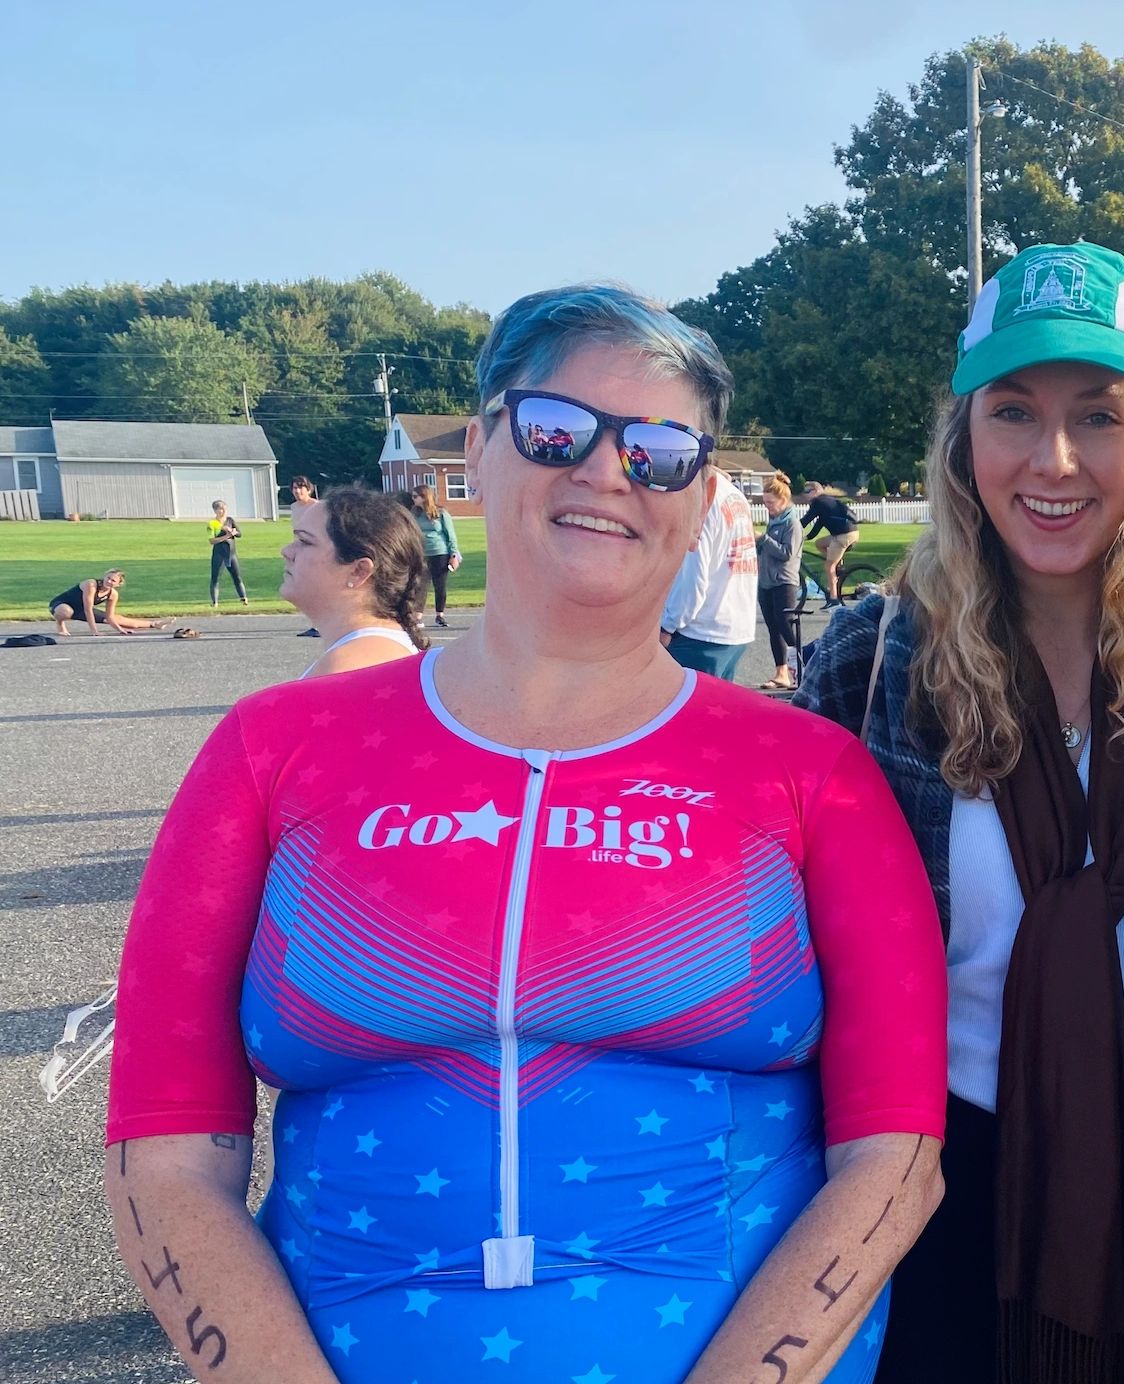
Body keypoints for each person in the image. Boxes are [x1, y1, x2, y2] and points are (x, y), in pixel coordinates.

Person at [106, 282, 945, 1384]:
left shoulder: (807, 774)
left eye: (660, 450)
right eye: (559, 429)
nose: (606, 470)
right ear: (483, 454)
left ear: (701, 504)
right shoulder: (276, 748)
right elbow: (165, 1152)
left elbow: (896, 1158)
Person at [797, 241, 1124, 1384]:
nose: (1053, 458)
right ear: (965, 439)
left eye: (1100, 415)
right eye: (1014, 410)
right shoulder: (873, 663)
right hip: (943, 1190)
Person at [282, 485, 430, 679]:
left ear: (359, 571)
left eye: (305, 541)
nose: (286, 551)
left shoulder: (343, 672)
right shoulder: (381, 648)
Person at [660, 464, 757, 679]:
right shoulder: (733, 493)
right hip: (734, 625)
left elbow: (692, 578)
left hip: (700, 632)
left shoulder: (700, 498)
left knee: (683, 708)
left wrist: (667, 627)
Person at [756, 470, 802, 690]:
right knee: (773, 628)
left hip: (784, 581)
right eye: (764, 502)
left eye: (770, 502)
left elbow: (787, 553)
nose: (767, 507)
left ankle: (802, 669)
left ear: (783, 500)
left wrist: (764, 539)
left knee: (785, 625)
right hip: (766, 582)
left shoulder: (792, 523)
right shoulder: (772, 522)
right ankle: (781, 672)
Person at [408, 483, 463, 628]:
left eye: (415, 496)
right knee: (420, 585)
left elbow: (450, 535)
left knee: (440, 586)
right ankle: (418, 617)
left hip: (440, 552)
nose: (413, 499)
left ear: (424, 497)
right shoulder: (414, 514)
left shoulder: (441, 513)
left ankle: (440, 615)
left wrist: (454, 554)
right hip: (422, 554)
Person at [48, 569, 165, 636]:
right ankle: (60, 625)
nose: (109, 581)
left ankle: (154, 624)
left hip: (80, 610)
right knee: (65, 612)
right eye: (107, 578)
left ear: (118, 584)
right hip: (62, 605)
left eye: (113, 580)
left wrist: (120, 630)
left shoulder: (113, 594)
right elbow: (88, 610)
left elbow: (110, 616)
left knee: (119, 620)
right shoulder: (91, 584)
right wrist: (95, 631)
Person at [801, 481, 859, 606]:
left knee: (829, 566)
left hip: (843, 536)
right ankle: (837, 565)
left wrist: (791, 529)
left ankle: (834, 599)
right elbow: (818, 524)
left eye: (807, 492)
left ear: (816, 491)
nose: (805, 495)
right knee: (820, 543)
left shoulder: (818, 502)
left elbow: (806, 520)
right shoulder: (826, 502)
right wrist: (806, 537)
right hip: (849, 533)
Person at [290, 476, 322, 638]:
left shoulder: (317, 506)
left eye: (301, 487)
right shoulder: (294, 507)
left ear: (308, 489)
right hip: (300, 551)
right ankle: (315, 624)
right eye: (295, 488)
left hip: (316, 552)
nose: (297, 491)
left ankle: (319, 626)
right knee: (305, 591)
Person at [207, 500, 251, 608]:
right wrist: (226, 536)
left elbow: (239, 534)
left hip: (231, 554)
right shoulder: (212, 523)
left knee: (237, 577)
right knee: (215, 578)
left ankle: (243, 598)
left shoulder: (230, 520)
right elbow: (211, 540)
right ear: (215, 511)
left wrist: (233, 532)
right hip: (219, 554)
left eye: (224, 509)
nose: (223, 512)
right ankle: (215, 602)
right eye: (220, 509)